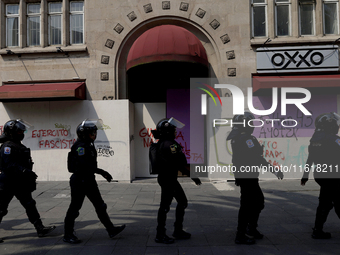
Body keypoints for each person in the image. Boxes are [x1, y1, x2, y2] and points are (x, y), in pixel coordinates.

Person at [63, 119, 125, 244]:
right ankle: (68, 234)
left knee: (100, 206)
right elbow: (84, 165)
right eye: (92, 133)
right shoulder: (80, 147)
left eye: (95, 133)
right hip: (80, 181)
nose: (94, 136)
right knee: (75, 208)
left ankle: (111, 229)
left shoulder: (87, 145)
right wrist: (102, 171)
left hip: (89, 180)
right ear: (84, 134)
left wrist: (99, 172)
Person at [227, 112, 283, 245]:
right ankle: (241, 234)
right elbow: (257, 158)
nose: (252, 126)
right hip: (249, 177)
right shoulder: (247, 139)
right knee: (252, 204)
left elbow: (236, 159)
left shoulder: (237, 138)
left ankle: (250, 229)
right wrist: (274, 170)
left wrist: (237, 175)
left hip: (245, 175)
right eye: (251, 123)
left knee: (254, 203)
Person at [0, 119, 56, 243]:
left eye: (22, 130)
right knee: (1, 208)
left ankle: (40, 228)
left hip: (19, 182)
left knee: (30, 204)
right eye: (19, 131)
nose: (22, 133)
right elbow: (10, 165)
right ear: (11, 132)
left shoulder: (17, 144)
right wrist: (25, 171)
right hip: (8, 182)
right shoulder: (7, 146)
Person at [151, 118, 201, 244]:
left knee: (180, 202)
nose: (175, 132)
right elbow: (179, 164)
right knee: (166, 206)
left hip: (166, 178)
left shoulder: (162, 143)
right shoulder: (170, 145)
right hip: (168, 179)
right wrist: (193, 176)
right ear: (168, 132)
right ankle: (161, 234)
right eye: (173, 130)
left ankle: (176, 230)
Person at [301, 112, 340, 239]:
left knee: (325, 201)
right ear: (330, 125)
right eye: (335, 124)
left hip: (321, 175)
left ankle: (318, 229)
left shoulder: (315, 139)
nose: (337, 126)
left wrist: (305, 175)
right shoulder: (334, 139)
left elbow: (310, 158)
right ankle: (317, 230)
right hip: (334, 176)